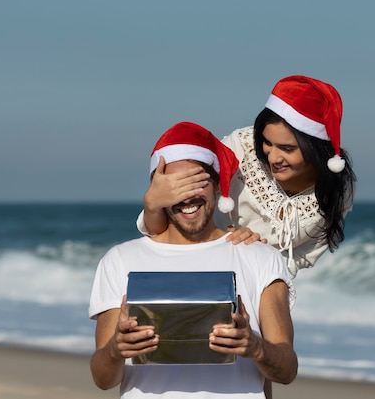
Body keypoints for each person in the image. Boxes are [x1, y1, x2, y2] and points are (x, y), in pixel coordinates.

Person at [89, 121, 298, 399]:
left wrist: (254, 347)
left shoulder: (261, 258)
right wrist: (116, 350)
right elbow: (103, 379)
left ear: (216, 186)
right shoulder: (119, 260)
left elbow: (287, 371)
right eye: (175, 187)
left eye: (197, 182)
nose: (187, 196)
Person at [137, 75, 357, 278]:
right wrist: (152, 205)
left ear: (317, 149)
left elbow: (301, 258)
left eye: (287, 149)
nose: (273, 158)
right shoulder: (238, 150)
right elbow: (164, 229)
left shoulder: (339, 187)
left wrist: (259, 256)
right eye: (267, 143)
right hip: (191, 269)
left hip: (260, 285)